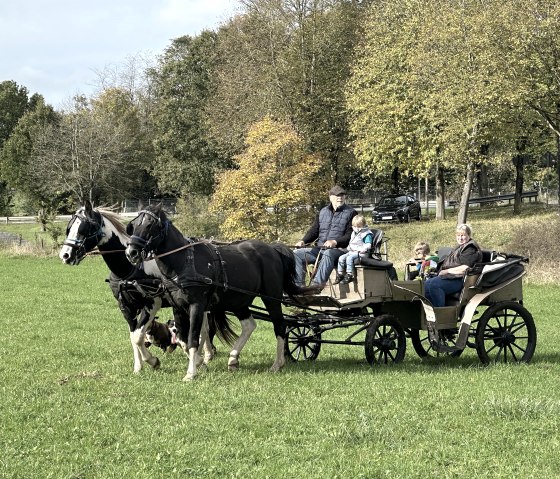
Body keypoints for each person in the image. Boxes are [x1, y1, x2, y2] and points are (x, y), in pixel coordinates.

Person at [294, 185, 357, 287]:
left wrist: (335, 242)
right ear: (330, 197)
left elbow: (350, 235)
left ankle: (316, 286)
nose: (340, 198)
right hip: (319, 249)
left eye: (342, 195)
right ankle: (299, 287)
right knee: (296, 253)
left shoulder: (351, 213)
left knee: (328, 253)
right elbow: (314, 231)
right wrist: (303, 241)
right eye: (337, 195)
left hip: (340, 250)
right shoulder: (323, 211)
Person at [424, 224, 482, 307]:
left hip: (461, 280)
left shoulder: (470, 249)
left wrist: (446, 271)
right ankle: (430, 312)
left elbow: (465, 268)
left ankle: (440, 314)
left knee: (434, 285)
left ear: (468, 235)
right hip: (451, 277)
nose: (460, 238)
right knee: (425, 285)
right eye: (458, 235)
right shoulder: (460, 247)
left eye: (463, 235)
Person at [333, 215, 374, 285]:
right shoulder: (354, 233)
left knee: (349, 258)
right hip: (353, 251)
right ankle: (340, 274)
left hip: (362, 253)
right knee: (341, 258)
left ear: (363, 225)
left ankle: (350, 274)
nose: (357, 228)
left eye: (359, 226)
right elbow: (352, 243)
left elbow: (368, 245)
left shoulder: (366, 234)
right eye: (355, 226)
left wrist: (363, 249)